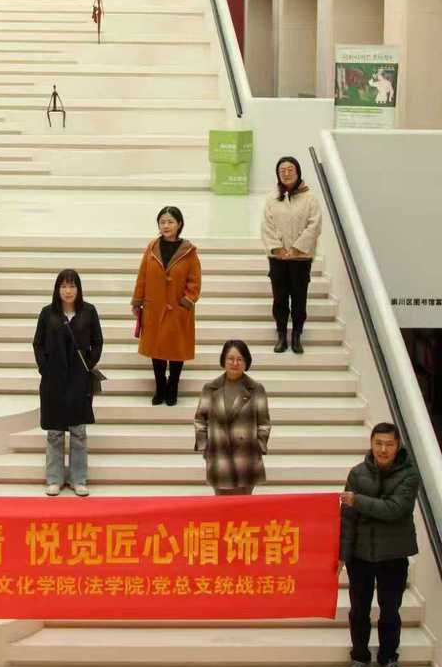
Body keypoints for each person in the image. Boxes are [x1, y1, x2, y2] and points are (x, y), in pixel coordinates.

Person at [340, 423, 419, 667]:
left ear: (398, 446)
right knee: (359, 610)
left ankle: (388, 659)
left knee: (390, 611)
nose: (383, 449)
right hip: (361, 555)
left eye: (389, 444)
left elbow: (394, 509)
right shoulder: (357, 473)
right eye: (378, 443)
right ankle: (359, 658)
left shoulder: (409, 475)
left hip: (393, 555)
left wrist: (357, 500)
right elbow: (347, 519)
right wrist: (343, 555)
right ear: (371, 443)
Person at [33, 269, 103, 497]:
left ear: (79, 289)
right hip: (53, 380)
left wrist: (88, 365)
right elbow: (38, 343)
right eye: (63, 286)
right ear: (57, 289)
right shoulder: (47, 313)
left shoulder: (89, 311)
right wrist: (45, 368)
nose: (68, 291)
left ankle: (78, 479)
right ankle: (54, 479)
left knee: (78, 431)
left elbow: (98, 342)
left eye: (72, 286)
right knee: (54, 432)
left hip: (79, 381)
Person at [131, 206, 201, 406]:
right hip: (154, 308)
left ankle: (173, 386)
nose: (166, 225)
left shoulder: (189, 251)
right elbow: (142, 276)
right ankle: (160, 386)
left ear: (179, 224)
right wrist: (137, 300)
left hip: (178, 309)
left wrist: (186, 301)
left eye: (170, 222)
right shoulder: (152, 248)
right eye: (162, 222)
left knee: (177, 350)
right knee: (157, 349)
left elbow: (195, 281)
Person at [261, 155, 322, 355]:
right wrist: (277, 249)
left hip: (300, 258)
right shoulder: (272, 198)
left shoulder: (310, 198)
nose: (286, 173)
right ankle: (281, 335)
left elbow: (314, 226)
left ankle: (296, 336)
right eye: (282, 170)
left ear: (298, 172)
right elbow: (266, 226)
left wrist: (297, 248)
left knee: (298, 298)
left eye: (290, 170)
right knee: (279, 298)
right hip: (278, 258)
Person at [193, 339, 271, 495]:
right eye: (230, 358)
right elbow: (200, 420)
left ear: (246, 362)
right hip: (219, 457)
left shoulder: (256, 389)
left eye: (240, 359)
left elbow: (264, 423)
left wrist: (258, 446)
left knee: (244, 505)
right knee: (222, 505)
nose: (235, 363)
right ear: (223, 360)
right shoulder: (210, 388)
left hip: (246, 458)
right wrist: (205, 447)